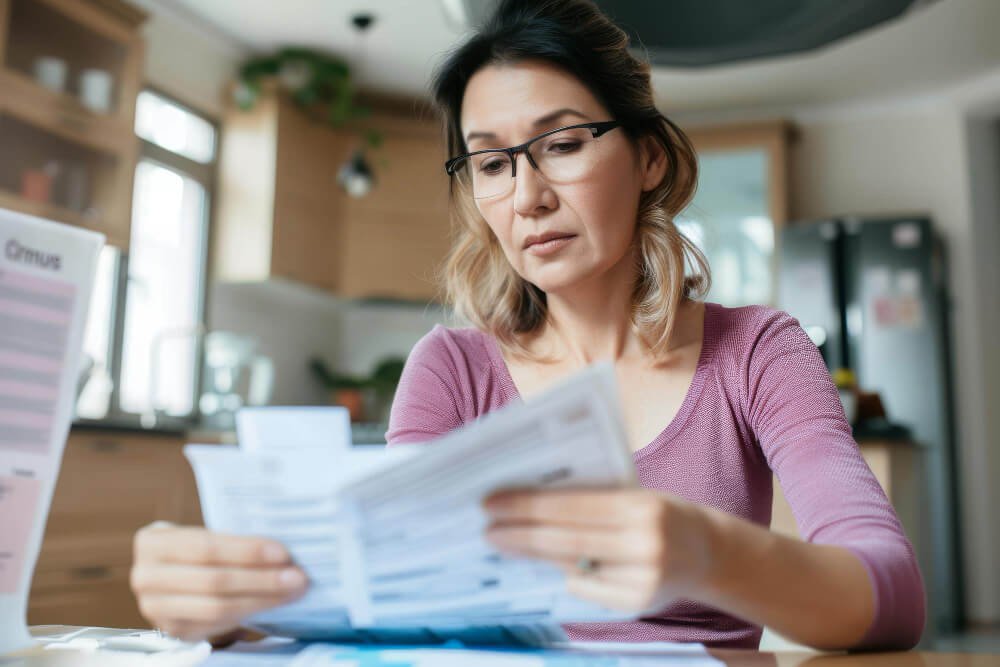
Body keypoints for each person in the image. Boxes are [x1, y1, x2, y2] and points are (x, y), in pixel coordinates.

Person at [129, 0, 924, 650]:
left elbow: (888, 590)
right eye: (493, 162)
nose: (528, 195)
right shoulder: (452, 367)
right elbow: (393, 592)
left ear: (648, 157)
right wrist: (230, 600)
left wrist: (709, 551)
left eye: (565, 144)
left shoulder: (755, 351)